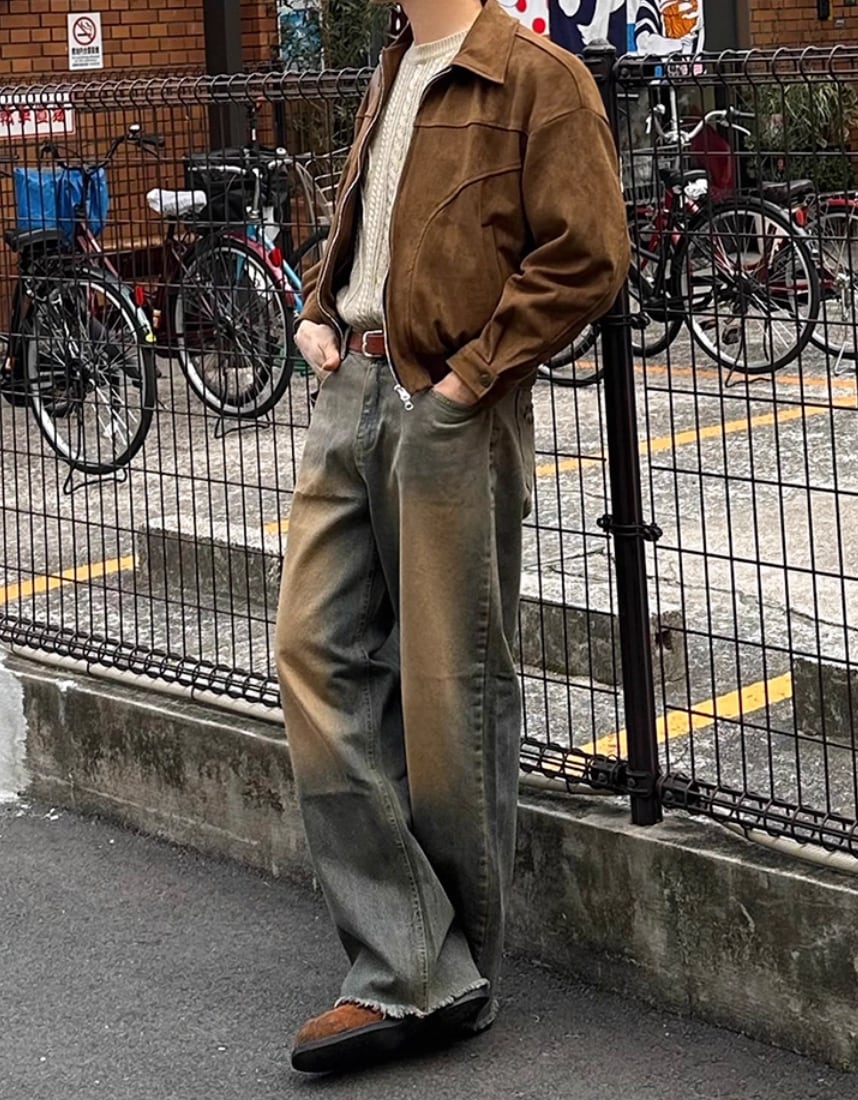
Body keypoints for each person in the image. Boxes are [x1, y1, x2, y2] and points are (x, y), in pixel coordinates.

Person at [276, 0, 628, 1074]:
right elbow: (372, 222)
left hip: (448, 406)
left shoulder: (537, 78)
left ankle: (439, 976)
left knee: (450, 687)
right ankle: (417, 955)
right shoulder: (396, 64)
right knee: (311, 651)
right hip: (351, 387)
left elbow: (589, 253)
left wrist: (470, 380)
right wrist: (319, 308)